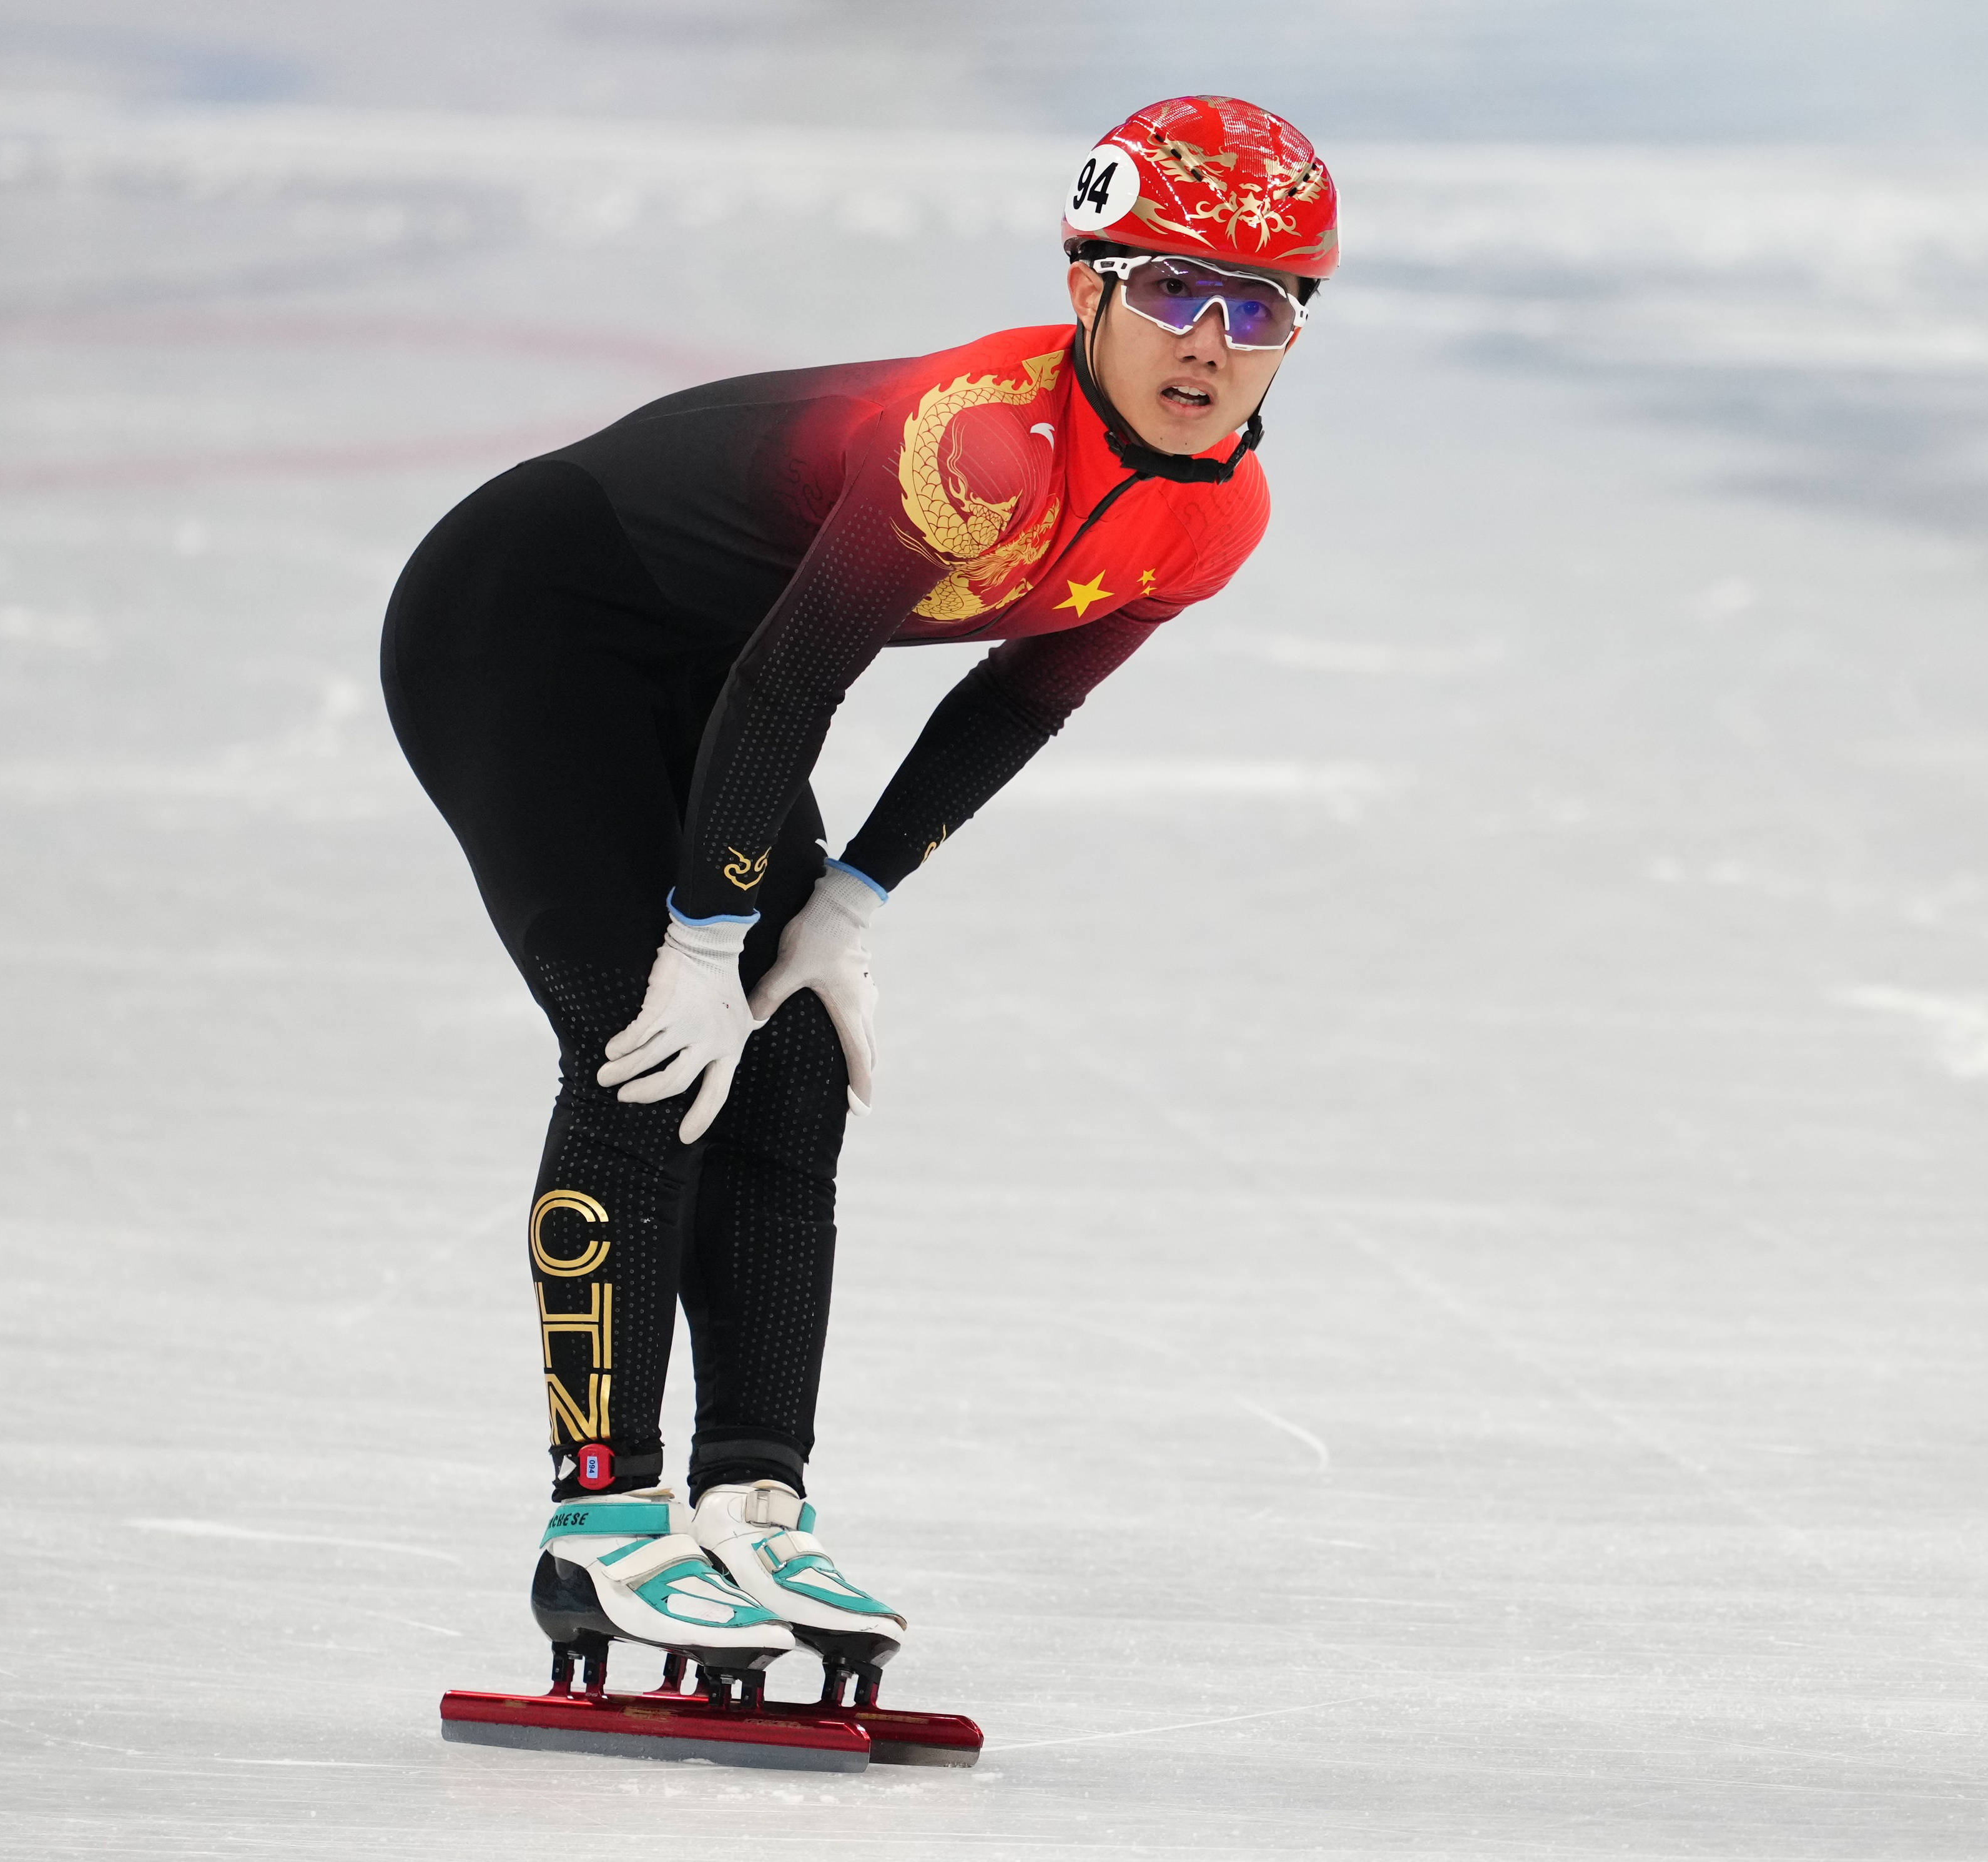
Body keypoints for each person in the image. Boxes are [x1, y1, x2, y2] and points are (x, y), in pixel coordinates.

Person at [380, 96, 1337, 1702]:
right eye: (1175, 288)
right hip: (527, 623)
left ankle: (752, 1501)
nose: (1212, 342)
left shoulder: (1213, 515)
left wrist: (848, 904)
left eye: (1260, 309)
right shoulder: (981, 442)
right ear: (1089, 286)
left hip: (718, 671)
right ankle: (598, 1522)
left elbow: (1013, 705)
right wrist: (701, 940)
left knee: (794, 1062)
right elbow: (795, 688)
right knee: (643, 1048)